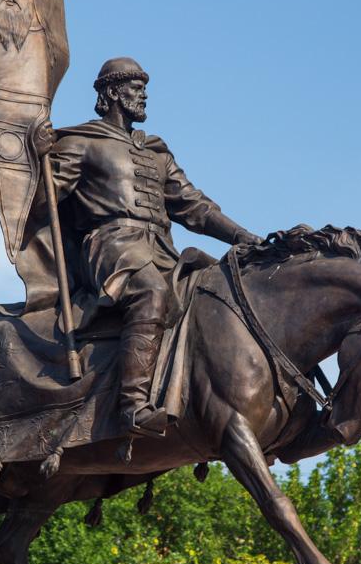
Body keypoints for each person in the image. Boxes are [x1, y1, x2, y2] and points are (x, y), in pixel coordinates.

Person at [31, 57, 260, 437]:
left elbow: (195, 206)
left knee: (214, 293)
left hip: (160, 249)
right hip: (110, 246)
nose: (144, 97)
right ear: (113, 93)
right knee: (152, 293)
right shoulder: (82, 142)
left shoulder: (155, 151)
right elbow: (41, 205)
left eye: (143, 89)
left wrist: (243, 237)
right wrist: (39, 160)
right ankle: (133, 406)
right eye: (136, 89)